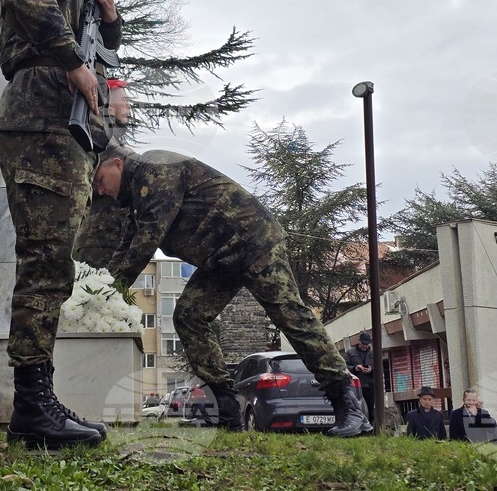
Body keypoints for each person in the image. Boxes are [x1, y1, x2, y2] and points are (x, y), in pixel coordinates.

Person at [91, 146, 371, 437]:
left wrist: (112, 291)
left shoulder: (156, 166)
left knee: (291, 316)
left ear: (117, 164)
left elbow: (148, 237)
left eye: (100, 180)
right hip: (221, 258)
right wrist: (101, 290)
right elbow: (128, 243)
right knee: (190, 316)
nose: (100, 190)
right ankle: (227, 411)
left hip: (252, 241)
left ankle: (348, 406)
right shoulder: (138, 194)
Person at [0, 0, 123, 449]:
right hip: (41, 113)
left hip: (58, 121)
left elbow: (99, 55)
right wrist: (72, 60)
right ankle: (33, 407)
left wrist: (107, 20)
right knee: (45, 261)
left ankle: (36, 403)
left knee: (53, 261)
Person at [72, 80, 132, 269]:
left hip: (108, 235)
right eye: (124, 101)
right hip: (99, 237)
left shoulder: (110, 137)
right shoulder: (101, 138)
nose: (129, 108)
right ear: (110, 107)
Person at [344, 332, 375, 424]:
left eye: (367, 344)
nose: (365, 346)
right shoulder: (350, 353)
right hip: (354, 386)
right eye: (363, 343)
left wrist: (371, 370)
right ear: (359, 341)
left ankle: (369, 426)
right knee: (355, 407)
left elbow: (380, 368)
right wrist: (355, 368)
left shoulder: (374, 353)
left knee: (369, 408)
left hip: (370, 386)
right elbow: (344, 367)